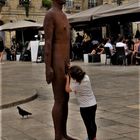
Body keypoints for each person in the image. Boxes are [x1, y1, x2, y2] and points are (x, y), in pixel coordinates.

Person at [43, 0, 78, 140]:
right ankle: (58, 136)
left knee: (66, 98)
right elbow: (48, 43)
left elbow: (67, 41)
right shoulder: (50, 15)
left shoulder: (63, 15)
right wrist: (48, 67)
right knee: (59, 99)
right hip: (56, 62)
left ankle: (63, 133)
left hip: (65, 62)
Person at [65, 65, 97, 140]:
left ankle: (91, 138)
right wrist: (71, 69)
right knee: (92, 122)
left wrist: (67, 78)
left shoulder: (76, 85)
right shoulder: (86, 77)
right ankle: (94, 137)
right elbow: (78, 72)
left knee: (88, 125)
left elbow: (67, 89)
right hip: (93, 104)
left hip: (85, 108)